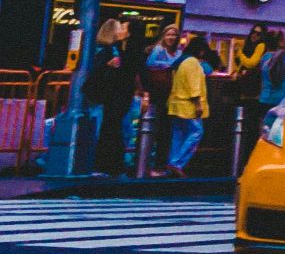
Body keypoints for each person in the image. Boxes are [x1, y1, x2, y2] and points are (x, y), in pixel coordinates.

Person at [83, 19, 137, 176]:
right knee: (104, 129)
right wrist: (108, 66)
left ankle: (107, 164)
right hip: (105, 96)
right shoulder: (106, 50)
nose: (122, 32)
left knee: (109, 129)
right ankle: (103, 164)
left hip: (108, 96)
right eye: (120, 29)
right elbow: (96, 71)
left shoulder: (113, 49)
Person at [165, 36, 212, 178]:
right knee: (196, 132)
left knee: (178, 134)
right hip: (188, 105)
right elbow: (193, 84)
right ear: (201, 51)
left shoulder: (181, 61)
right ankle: (177, 163)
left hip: (176, 103)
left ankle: (171, 163)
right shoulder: (192, 63)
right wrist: (198, 104)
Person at [140, 24, 183, 168]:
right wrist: (169, 65)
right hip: (158, 93)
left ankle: (162, 161)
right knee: (156, 125)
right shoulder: (159, 49)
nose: (171, 38)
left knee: (167, 128)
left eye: (174, 35)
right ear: (163, 36)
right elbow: (150, 63)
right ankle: (147, 161)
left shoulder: (178, 52)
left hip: (173, 93)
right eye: (168, 34)